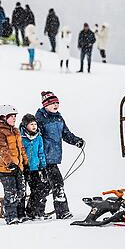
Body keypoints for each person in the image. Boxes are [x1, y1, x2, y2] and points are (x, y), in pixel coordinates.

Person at [36, 91, 84, 219]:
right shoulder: (40, 119)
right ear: (45, 105)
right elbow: (35, 140)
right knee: (57, 184)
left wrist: (76, 141)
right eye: (52, 103)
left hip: (54, 157)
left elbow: (66, 134)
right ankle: (62, 212)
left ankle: (37, 211)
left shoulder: (58, 117)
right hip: (44, 158)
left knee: (45, 186)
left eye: (57, 102)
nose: (56, 105)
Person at [0, 104, 27, 224]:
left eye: (15, 117)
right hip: (5, 168)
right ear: (3, 118)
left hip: (18, 167)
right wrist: (10, 163)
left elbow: (21, 148)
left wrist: (25, 163)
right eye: (11, 117)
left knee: (21, 190)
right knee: (11, 191)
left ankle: (21, 214)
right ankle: (11, 216)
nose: (14, 119)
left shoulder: (16, 131)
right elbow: (1, 149)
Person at [19, 114, 48, 220]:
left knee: (37, 190)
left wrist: (43, 166)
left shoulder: (38, 137)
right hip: (23, 169)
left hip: (35, 169)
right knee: (22, 192)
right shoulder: (20, 136)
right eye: (31, 124)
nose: (34, 126)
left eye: (35, 124)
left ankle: (32, 210)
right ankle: (20, 213)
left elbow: (41, 152)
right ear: (25, 125)